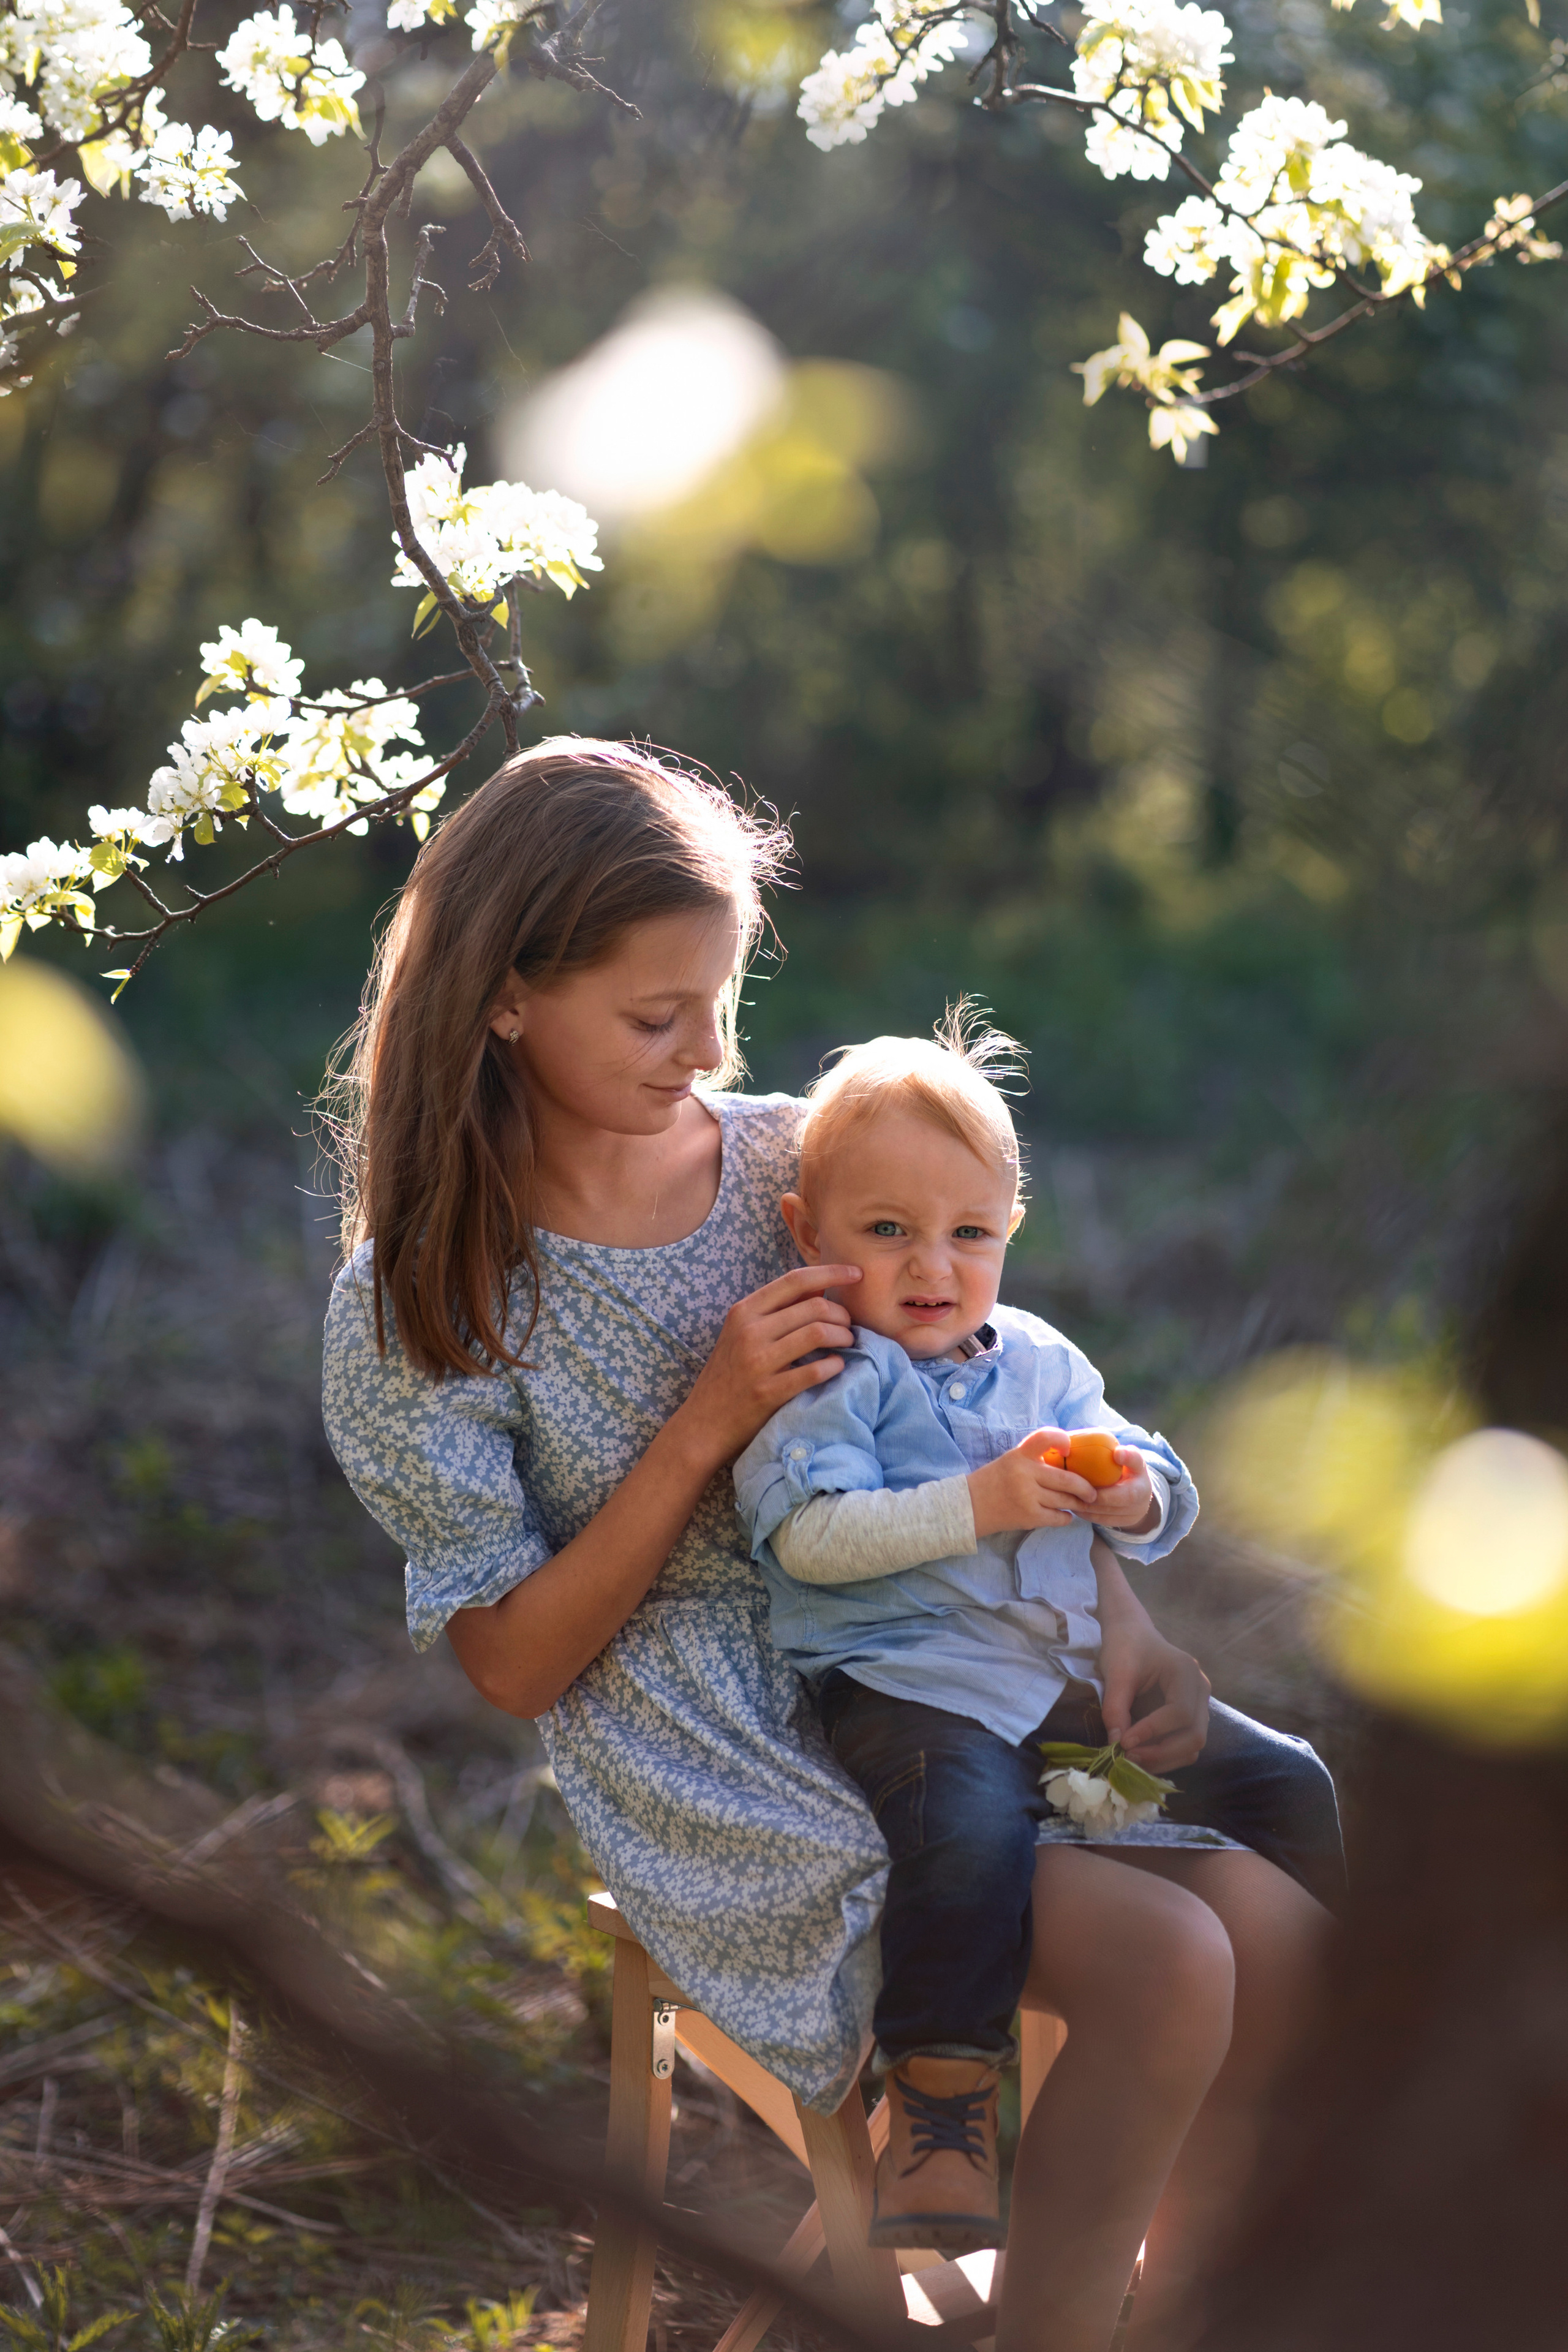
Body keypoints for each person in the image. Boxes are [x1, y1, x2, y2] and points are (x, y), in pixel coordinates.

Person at [320, 738, 1343, 2352]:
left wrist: (1117, 1607)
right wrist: (704, 1423)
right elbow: (512, 1663)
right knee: (1169, 1969)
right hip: (715, 1748)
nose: (705, 1054)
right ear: (505, 996)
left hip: (953, 1653)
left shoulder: (801, 1165)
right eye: (657, 1019)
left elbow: (985, 1405)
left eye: (720, 1004)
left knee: (1289, 1948)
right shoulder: (427, 1294)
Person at [733, 1018, 1327, 2263]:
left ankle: (1325, 2072)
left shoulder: (1042, 1362)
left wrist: (1135, 1497)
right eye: (884, 1229)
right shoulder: (828, 1371)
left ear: (1011, 1228)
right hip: (904, 1689)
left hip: (1052, 1695)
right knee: (962, 1831)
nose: (930, 1266)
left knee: (1286, 1778)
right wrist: (982, 1502)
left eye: (969, 1233)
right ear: (806, 1233)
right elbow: (812, 1538)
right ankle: (942, 2109)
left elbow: (1148, 1467)